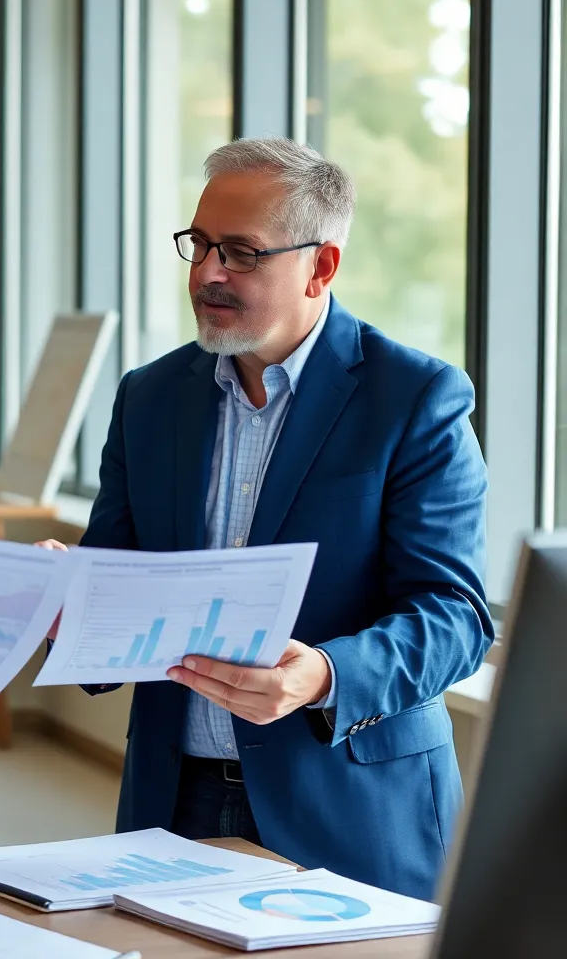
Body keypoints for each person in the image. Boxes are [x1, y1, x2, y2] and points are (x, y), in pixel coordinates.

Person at [45, 138, 491, 901]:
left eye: (242, 253)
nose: (208, 273)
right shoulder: (149, 397)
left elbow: (456, 618)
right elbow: (118, 583)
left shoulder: (415, 397)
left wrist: (322, 675)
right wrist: (68, 605)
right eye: (201, 245)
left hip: (350, 806)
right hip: (172, 803)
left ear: (322, 267)